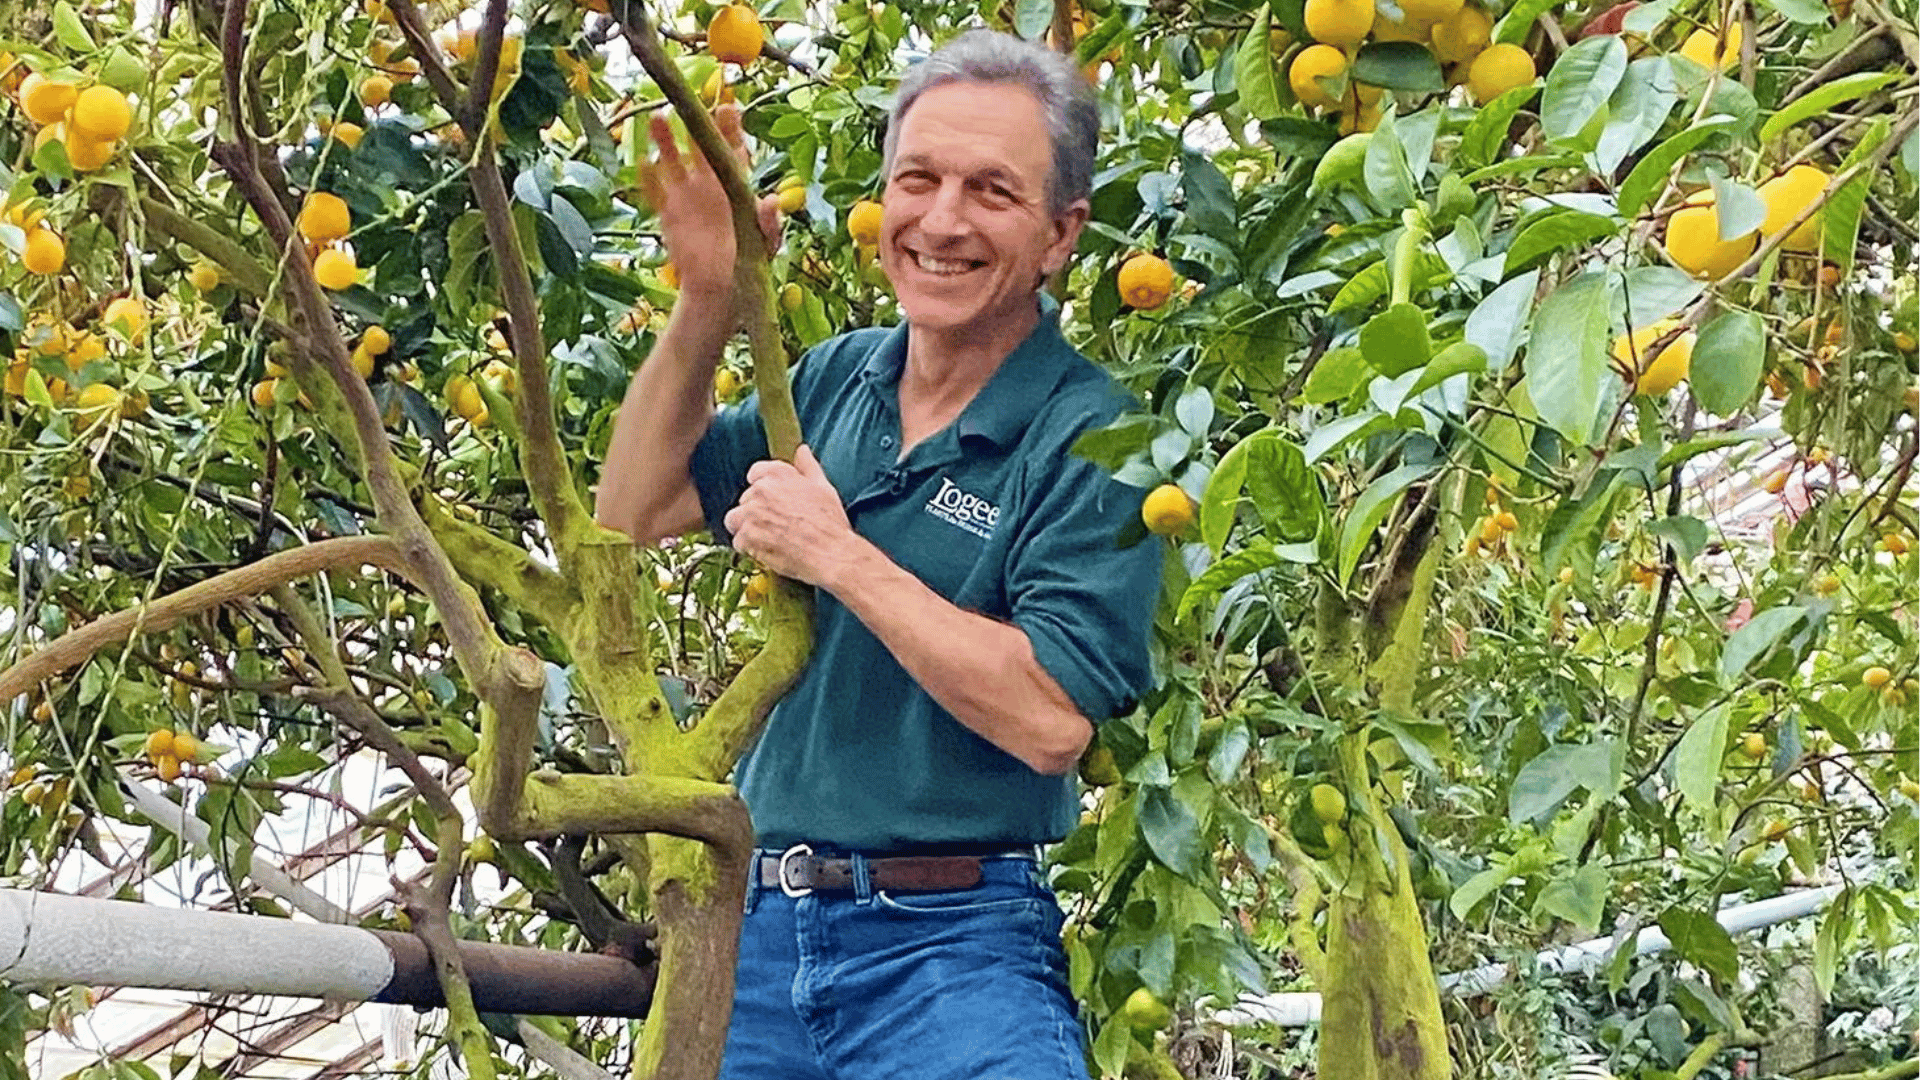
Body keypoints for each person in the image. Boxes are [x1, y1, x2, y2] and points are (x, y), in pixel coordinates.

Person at [595, 28, 1161, 1079]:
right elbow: (628, 512)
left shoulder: (1091, 437)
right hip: (758, 928)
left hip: (952, 947)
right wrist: (707, 303)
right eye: (919, 180)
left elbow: (1049, 720)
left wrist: (840, 557)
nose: (942, 220)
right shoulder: (835, 381)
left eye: (992, 191)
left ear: (1060, 233)